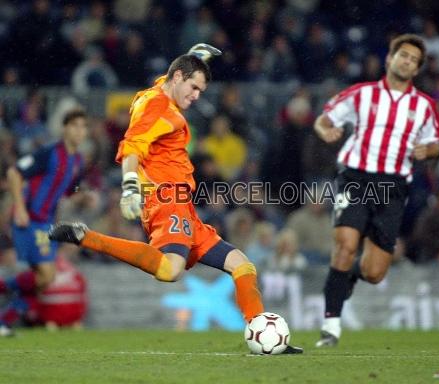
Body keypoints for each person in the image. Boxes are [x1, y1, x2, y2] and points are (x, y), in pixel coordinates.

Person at [48, 44, 303, 353]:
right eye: (194, 87)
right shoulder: (160, 109)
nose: (196, 95)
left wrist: (195, 58)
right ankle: (86, 238)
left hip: (185, 207)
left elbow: (168, 79)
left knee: (242, 266)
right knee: (170, 270)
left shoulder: (158, 92)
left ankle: (261, 332)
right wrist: (130, 185)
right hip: (165, 201)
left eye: (200, 89)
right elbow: (132, 145)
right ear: (179, 77)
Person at [313, 34, 439, 347]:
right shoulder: (362, 94)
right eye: (403, 55)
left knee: (374, 272)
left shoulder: (424, 106)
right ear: (389, 58)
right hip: (356, 178)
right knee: (345, 244)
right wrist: (325, 130)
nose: (407, 62)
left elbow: (436, 142)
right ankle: (331, 327)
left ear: (417, 70)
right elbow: (324, 118)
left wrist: (428, 152)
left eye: (414, 60)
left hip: (393, 187)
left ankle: (350, 275)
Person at [0, 108, 88, 336]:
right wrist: (19, 207)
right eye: (75, 126)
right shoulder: (49, 152)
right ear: (65, 128)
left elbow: (72, 188)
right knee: (46, 275)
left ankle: (3, 322)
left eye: (83, 127)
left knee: (42, 280)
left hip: (47, 224)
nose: (80, 131)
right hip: (30, 218)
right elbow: (13, 173)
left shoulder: (77, 160)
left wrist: (84, 195)